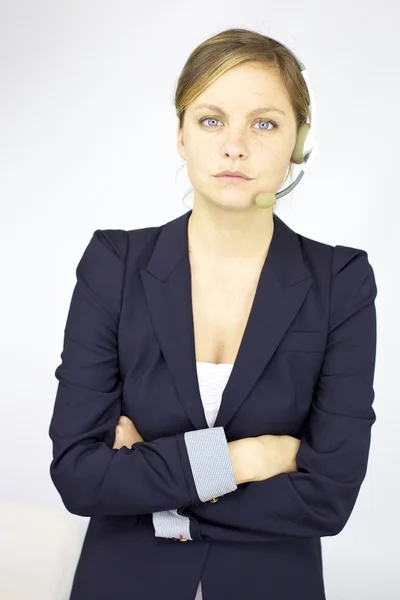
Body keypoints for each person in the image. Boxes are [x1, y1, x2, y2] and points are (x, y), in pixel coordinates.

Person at [48, 28, 378, 600]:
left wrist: (150, 490)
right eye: (211, 120)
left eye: (265, 123)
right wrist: (249, 458)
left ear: (299, 141)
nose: (236, 146)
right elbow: (80, 477)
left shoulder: (341, 281)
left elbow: (329, 496)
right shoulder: (113, 265)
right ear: (180, 134)